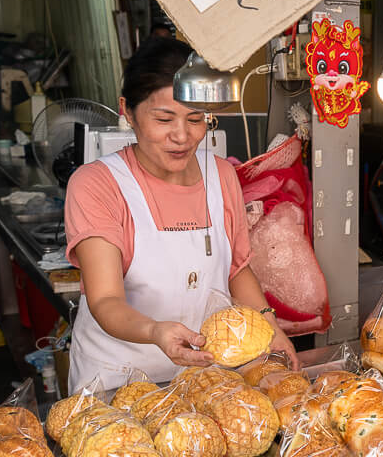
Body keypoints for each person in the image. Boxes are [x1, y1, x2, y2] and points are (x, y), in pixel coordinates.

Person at [64, 37, 298, 392]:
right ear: (127, 111)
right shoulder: (97, 184)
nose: (182, 136)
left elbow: (237, 269)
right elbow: (105, 299)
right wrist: (155, 331)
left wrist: (270, 326)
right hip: (117, 381)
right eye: (163, 118)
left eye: (196, 119)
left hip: (206, 376)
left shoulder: (220, 175)